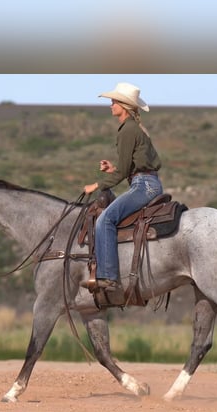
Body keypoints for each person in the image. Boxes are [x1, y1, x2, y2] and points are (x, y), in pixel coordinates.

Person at [81, 82, 163, 302]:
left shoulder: (128, 130)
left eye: (114, 101)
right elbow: (131, 167)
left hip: (143, 186)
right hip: (147, 183)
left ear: (124, 106)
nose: (111, 105)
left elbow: (127, 172)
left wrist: (97, 185)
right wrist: (114, 169)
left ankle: (108, 277)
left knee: (105, 220)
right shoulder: (133, 129)